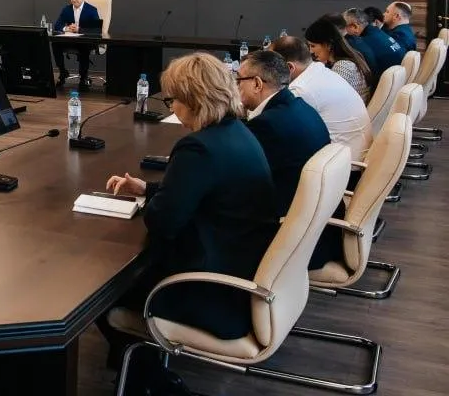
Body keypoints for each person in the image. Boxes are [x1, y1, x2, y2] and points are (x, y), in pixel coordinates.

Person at [104, 53, 277, 343]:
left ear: (193, 100)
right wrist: (148, 189)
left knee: (105, 292)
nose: (172, 107)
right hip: (240, 273)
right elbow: (212, 194)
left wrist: (158, 199)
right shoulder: (238, 131)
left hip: (208, 291)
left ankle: (143, 366)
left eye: (172, 100)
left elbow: (162, 223)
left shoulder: (197, 148)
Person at [235, 50, 332, 216]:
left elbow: (239, 177)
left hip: (283, 215)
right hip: (315, 208)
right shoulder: (300, 106)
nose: (236, 87)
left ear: (257, 84)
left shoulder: (266, 125)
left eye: (239, 80)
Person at [269, 36, 372, 163]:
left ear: (289, 67)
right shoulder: (320, 71)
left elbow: (277, 129)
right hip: (351, 156)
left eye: (269, 67)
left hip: (344, 166)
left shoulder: (301, 89)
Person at [304, 17, 371, 100]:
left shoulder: (342, 66)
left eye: (313, 46)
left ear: (328, 45)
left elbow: (326, 97)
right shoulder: (347, 60)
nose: (311, 51)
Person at [51, 0, 101, 90]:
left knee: (84, 46)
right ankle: (63, 72)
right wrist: (67, 28)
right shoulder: (67, 9)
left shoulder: (91, 10)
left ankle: (83, 77)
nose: (74, 0)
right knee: (55, 43)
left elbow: (96, 30)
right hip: (71, 39)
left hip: (86, 41)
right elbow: (57, 25)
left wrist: (79, 29)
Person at [343, 8, 404, 74]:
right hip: (399, 75)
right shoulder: (379, 32)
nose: (344, 31)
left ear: (355, 26)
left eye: (344, 27)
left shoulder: (360, 43)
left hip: (384, 77)